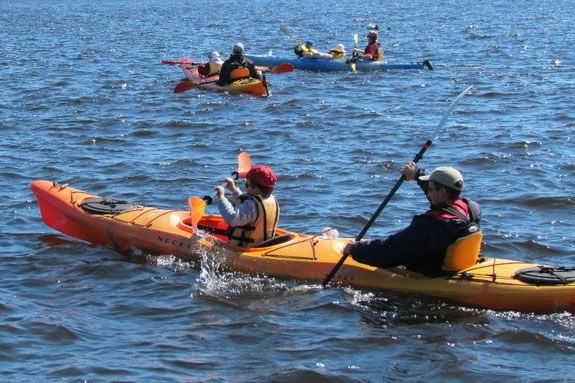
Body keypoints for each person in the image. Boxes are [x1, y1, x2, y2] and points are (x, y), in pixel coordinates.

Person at [342, 163, 481, 276]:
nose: (429, 193)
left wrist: (355, 249)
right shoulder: (471, 209)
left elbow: (389, 251)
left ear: (443, 191)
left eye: (431, 189)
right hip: (458, 266)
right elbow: (438, 196)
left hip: (430, 274)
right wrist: (416, 174)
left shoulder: (430, 226)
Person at [214, 165, 280, 248]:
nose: (246, 187)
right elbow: (249, 203)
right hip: (264, 245)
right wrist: (233, 189)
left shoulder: (251, 205)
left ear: (256, 189)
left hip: (246, 249)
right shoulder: (271, 200)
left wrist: (221, 198)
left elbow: (231, 218)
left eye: (247, 185)